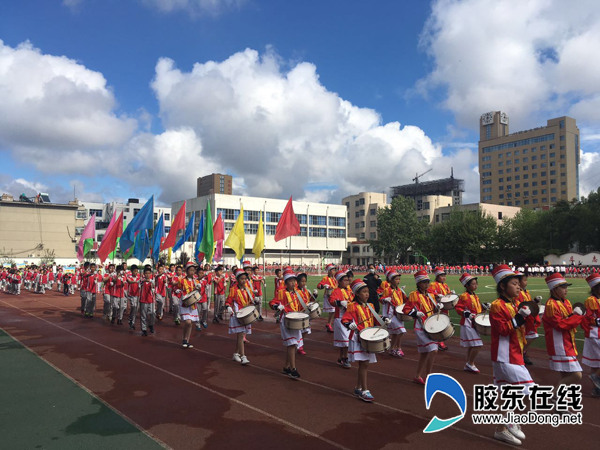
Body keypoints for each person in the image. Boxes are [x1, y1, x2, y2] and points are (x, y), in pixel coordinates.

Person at [489, 264, 533, 445]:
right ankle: (510, 420)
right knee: (527, 388)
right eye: (515, 284)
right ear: (502, 286)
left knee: (507, 392)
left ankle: (500, 430)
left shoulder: (515, 304)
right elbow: (503, 329)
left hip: (513, 353)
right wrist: (520, 318)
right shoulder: (497, 305)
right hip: (504, 354)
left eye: (518, 284)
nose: (519, 287)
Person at [343, 279, 390, 402]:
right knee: (364, 364)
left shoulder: (371, 305)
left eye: (367, 291)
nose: (367, 294)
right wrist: (349, 324)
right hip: (358, 338)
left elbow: (375, 319)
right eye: (364, 292)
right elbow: (345, 319)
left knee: (365, 364)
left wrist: (384, 319)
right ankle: (364, 390)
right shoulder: (352, 306)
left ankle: (358, 387)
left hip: (368, 337)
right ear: (357, 294)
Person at [542, 272, 584, 401]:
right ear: (554, 289)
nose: (566, 290)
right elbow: (560, 325)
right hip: (559, 344)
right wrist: (576, 317)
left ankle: (559, 403)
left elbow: (567, 321)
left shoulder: (566, 302)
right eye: (563, 287)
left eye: (566, 287)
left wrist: (573, 317)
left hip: (567, 342)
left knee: (565, 375)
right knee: (577, 375)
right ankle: (555, 395)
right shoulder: (551, 305)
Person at [403, 271, 440, 385]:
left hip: (431, 326)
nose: (426, 284)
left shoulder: (430, 294)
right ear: (418, 283)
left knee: (424, 353)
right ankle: (429, 377)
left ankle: (417, 376)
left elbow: (433, 309)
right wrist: (415, 313)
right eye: (424, 282)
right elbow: (406, 309)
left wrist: (438, 307)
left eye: (427, 282)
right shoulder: (414, 295)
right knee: (433, 350)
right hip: (420, 327)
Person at [270, 268, 304, 379]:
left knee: (293, 345)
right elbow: (272, 302)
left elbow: (303, 305)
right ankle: (293, 369)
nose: (293, 283)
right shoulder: (281, 292)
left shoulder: (298, 293)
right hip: (286, 320)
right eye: (290, 281)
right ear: (285, 282)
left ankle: (286, 367)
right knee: (291, 344)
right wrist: (276, 306)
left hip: (296, 320)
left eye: (294, 280)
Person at [455, 273, 488, 373]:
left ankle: (468, 363)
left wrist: (484, 307)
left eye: (476, 283)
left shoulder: (475, 295)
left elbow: (477, 308)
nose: (475, 285)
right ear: (467, 285)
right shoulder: (464, 296)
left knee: (472, 345)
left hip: (474, 322)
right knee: (477, 344)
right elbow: (458, 307)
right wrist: (465, 313)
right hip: (468, 322)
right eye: (473, 284)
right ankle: (470, 363)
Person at [226, 269, 253, 365]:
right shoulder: (234, 290)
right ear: (237, 279)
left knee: (241, 335)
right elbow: (228, 301)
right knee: (241, 335)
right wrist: (228, 307)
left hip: (246, 314)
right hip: (237, 315)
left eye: (245, 279)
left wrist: (256, 300)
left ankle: (236, 354)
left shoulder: (248, 289)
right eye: (242, 279)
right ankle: (243, 356)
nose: (244, 280)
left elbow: (251, 301)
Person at [515, 272, 543, 365]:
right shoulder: (518, 293)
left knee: (531, 336)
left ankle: (523, 352)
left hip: (529, 316)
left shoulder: (526, 292)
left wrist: (534, 301)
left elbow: (528, 302)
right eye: (524, 280)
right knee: (528, 335)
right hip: (523, 317)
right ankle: (521, 353)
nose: (526, 282)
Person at [379, 269, 407, 358]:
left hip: (399, 314)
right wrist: (384, 299)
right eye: (396, 279)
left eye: (399, 279)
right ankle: (398, 348)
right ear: (391, 280)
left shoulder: (399, 290)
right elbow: (381, 299)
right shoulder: (388, 290)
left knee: (395, 333)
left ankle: (392, 349)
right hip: (391, 314)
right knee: (401, 331)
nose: (398, 281)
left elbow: (405, 300)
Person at [329, 270, 352, 368]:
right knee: (345, 340)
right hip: (340, 318)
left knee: (345, 341)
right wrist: (339, 303)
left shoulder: (349, 290)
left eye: (347, 280)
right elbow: (332, 301)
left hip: (349, 317)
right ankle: (345, 358)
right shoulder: (336, 291)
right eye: (345, 280)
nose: (347, 282)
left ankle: (342, 357)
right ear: (339, 281)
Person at [582, 273, 600, 397]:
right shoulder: (591, 300)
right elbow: (589, 319)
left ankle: (596, 386)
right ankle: (596, 382)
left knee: (596, 362)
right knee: (595, 363)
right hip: (595, 333)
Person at [428, 266, 452, 351]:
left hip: (445, 307)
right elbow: (429, 292)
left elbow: (447, 293)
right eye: (442, 276)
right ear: (437, 277)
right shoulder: (433, 284)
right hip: (437, 307)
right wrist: (437, 294)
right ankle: (438, 342)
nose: (444, 278)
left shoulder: (445, 285)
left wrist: (451, 293)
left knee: (444, 323)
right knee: (438, 324)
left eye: (444, 276)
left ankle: (440, 341)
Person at [179, 262, 201, 348]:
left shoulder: (196, 281)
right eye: (190, 270)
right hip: (185, 303)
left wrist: (199, 287)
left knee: (190, 323)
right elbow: (177, 287)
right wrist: (178, 291)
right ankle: (184, 339)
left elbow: (198, 292)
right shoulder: (182, 280)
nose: (192, 272)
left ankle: (186, 340)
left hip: (193, 303)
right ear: (187, 271)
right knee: (188, 322)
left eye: (193, 270)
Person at [295, 272, 318, 356]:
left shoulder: (306, 290)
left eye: (305, 281)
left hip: (306, 313)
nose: (303, 283)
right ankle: (299, 346)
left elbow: (311, 300)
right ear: (297, 282)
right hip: (299, 313)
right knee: (299, 331)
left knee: (305, 330)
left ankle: (300, 344)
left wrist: (315, 295)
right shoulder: (296, 291)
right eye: (302, 281)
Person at [317, 264, 337, 333]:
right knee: (332, 311)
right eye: (333, 270)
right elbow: (319, 286)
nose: (334, 271)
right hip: (329, 296)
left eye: (334, 270)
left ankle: (329, 324)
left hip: (335, 296)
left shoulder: (335, 279)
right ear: (329, 271)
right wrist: (323, 286)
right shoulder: (325, 278)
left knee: (334, 311)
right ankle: (329, 324)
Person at [139, 267, 156, 337]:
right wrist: (145, 281)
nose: (147, 275)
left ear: (151, 274)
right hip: (143, 300)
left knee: (152, 313)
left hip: (151, 300)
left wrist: (152, 284)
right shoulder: (141, 281)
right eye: (146, 273)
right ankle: (144, 329)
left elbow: (153, 286)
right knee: (143, 315)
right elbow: (140, 284)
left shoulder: (152, 281)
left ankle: (151, 324)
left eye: (149, 273)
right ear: (144, 274)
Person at [127, 265, 141, 330]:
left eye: (137, 271)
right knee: (134, 306)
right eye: (135, 271)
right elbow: (129, 281)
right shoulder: (129, 277)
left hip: (137, 295)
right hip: (131, 295)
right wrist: (135, 282)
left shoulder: (139, 278)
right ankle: (131, 321)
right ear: (132, 271)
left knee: (136, 309)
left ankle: (132, 321)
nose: (136, 272)